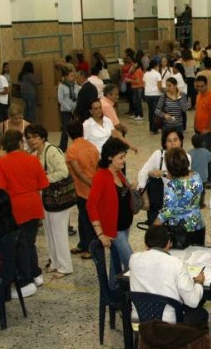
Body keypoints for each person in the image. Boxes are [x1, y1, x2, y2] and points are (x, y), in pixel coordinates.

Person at [0, 130, 49, 298]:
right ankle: (36, 273)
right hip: (34, 205)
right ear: (19, 143)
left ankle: (25, 282)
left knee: (19, 246)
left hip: (16, 208)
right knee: (30, 242)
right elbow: (43, 183)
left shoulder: (2, 163)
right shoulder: (33, 159)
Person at [128, 225, 206, 324]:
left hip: (139, 321)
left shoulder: (133, 259)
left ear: (145, 244)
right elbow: (193, 301)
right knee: (201, 313)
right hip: (168, 325)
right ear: (169, 243)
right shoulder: (176, 263)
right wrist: (199, 283)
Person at [25, 124, 73, 279]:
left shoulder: (51, 151)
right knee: (49, 231)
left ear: (43, 137)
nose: (32, 140)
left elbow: (64, 172)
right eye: (29, 137)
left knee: (59, 233)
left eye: (35, 137)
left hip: (57, 198)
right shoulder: (34, 154)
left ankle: (65, 266)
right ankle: (54, 261)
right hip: (45, 198)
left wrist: (43, 179)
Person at [87, 138, 134, 281]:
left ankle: (114, 291)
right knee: (132, 263)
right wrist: (100, 233)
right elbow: (91, 205)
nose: (124, 160)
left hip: (125, 226)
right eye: (121, 157)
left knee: (116, 261)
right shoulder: (101, 177)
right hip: (115, 231)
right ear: (109, 157)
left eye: (124, 156)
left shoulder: (118, 173)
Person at [136, 129, 192, 225]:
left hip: (176, 206)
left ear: (181, 141)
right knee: (157, 237)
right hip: (157, 204)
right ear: (164, 143)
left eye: (175, 140)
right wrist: (145, 198)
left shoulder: (186, 157)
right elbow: (143, 173)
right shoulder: (158, 155)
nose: (173, 144)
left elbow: (185, 181)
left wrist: (163, 174)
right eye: (169, 141)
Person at [153, 147, 205, 246]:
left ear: (170, 168)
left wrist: (153, 227)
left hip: (180, 231)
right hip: (198, 225)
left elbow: (167, 212)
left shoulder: (172, 186)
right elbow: (182, 178)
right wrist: (163, 174)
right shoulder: (196, 176)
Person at [64, 120, 99, 260]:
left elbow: (77, 172)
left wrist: (89, 183)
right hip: (92, 187)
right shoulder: (92, 146)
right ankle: (82, 243)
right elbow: (98, 165)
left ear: (68, 134)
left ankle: (90, 248)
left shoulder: (72, 150)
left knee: (87, 219)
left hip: (82, 189)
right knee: (82, 218)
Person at [193, 76, 211, 186]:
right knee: (199, 154)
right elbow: (197, 111)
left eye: (202, 86)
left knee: (206, 154)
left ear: (206, 84)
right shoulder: (198, 96)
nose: (199, 88)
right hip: (198, 129)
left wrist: (208, 129)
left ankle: (209, 179)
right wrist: (194, 124)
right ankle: (200, 176)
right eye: (197, 86)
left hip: (206, 132)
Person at [189, 133, 211, 208]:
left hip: (192, 176)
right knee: (202, 191)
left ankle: (193, 202)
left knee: (193, 190)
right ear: (202, 142)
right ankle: (201, 204)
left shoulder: (190, 153)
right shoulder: (205, 152)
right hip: (203, 177)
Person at [57, 67, 79, 151]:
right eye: (71, 75)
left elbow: (78, 95)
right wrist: (70, 109)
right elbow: (60, 99)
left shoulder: (75, 85)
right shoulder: (61, 86)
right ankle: (63, 147)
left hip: (75, 109)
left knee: (77, 128)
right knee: (66, 128)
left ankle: (77, 145)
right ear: (65, 76)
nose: (73, 77)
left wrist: (75, 107)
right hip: (66, 110)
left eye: (73, 75)